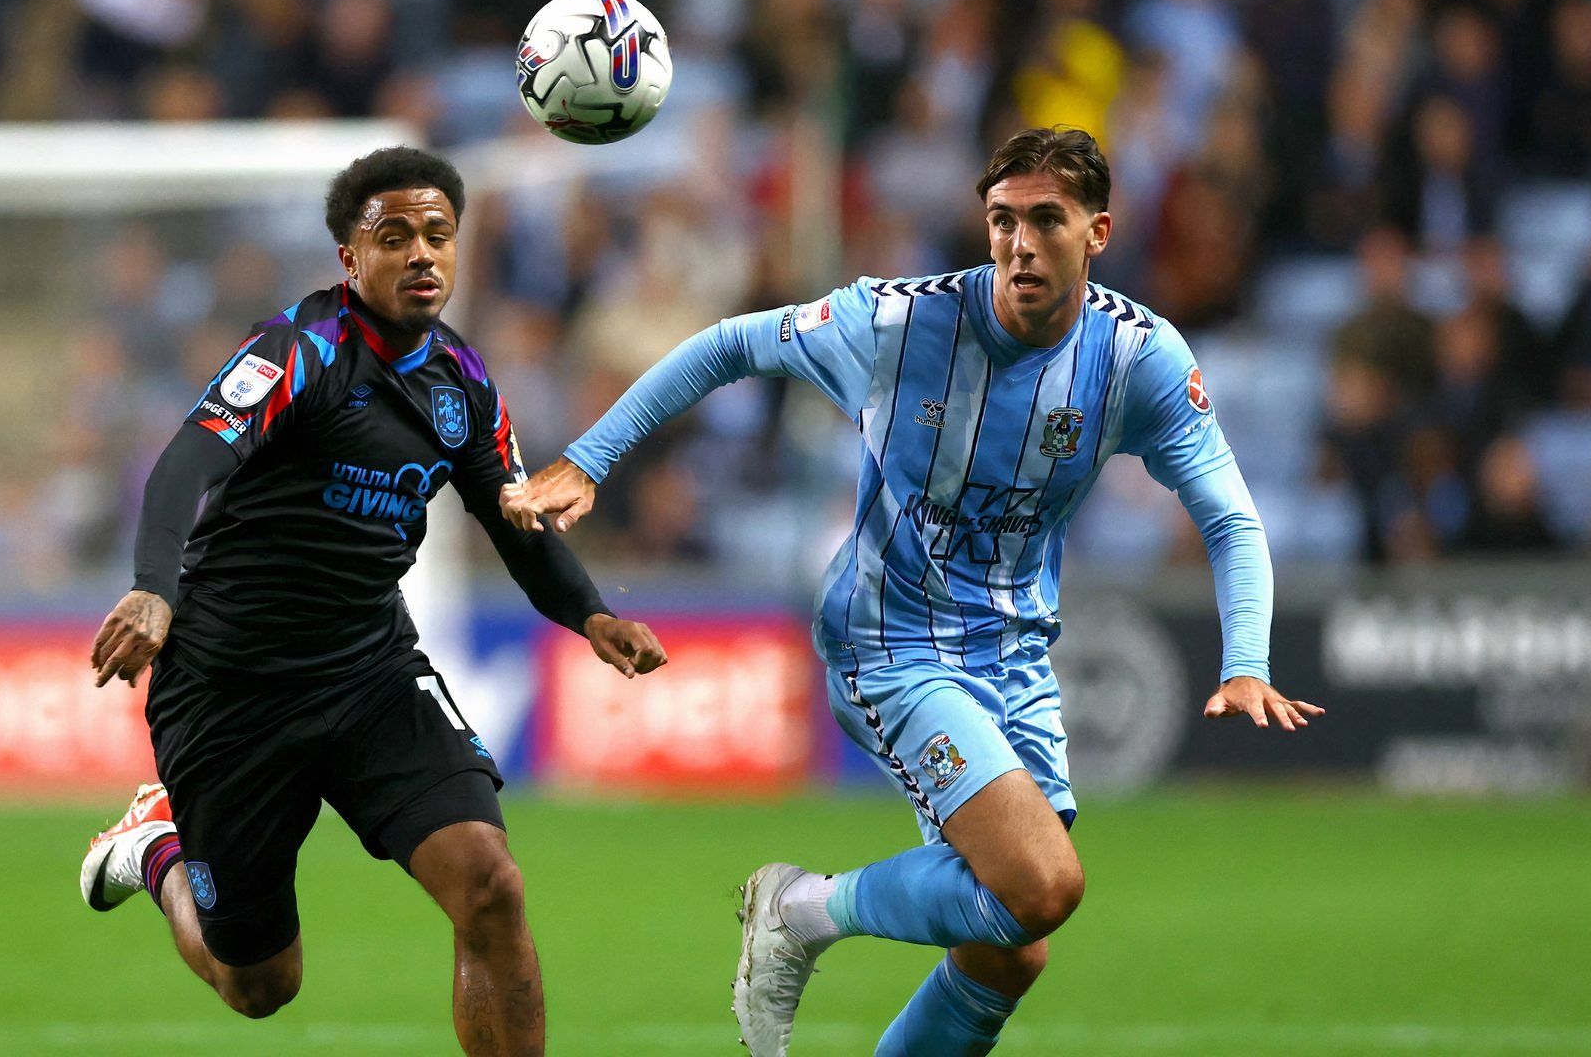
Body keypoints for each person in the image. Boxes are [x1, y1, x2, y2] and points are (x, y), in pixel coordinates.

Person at [501, 127, 1322, 1057]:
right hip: (888, 638)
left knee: (1010, 949)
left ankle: (811, 917)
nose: (1018, 243)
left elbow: (1230, 516)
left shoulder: (1138, 359)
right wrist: (591, 458)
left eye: (1045, 221)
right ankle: (801, 909)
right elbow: (731, 345)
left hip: (1014, 651)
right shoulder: (898, 324)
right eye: (1001, 220)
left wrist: (1246, 659)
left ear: (1097, 233)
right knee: (1043, 885)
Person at [81, 146, 667, 1055]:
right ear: (350, 259)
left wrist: (591, 613)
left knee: (491, 885)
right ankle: (154, 848)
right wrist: (153, 590)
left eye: (438, 235)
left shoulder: (464, 383)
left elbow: (513, 517)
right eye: (393, 237)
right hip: (231, 687)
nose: (422, 254)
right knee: (260, 984)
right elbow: (185, 462)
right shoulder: (298, 350)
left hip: (368, 673)